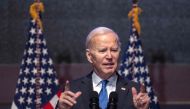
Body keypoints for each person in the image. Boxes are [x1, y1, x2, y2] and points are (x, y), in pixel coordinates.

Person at [58, 27, 150, 109]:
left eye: (114, 50)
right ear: (89, 56)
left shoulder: (135, 91)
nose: (109, 56)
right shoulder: (72, 90)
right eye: (103, 51)